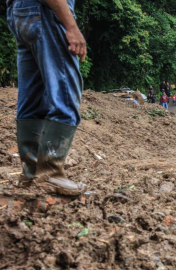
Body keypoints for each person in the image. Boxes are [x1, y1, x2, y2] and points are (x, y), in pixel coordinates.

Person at [7, 0, 87, 196]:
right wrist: (71, 26)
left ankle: (30, 173)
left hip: (19, 12)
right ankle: (51, 172)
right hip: (46, 10)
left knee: (32, 95)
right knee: (65, 91)